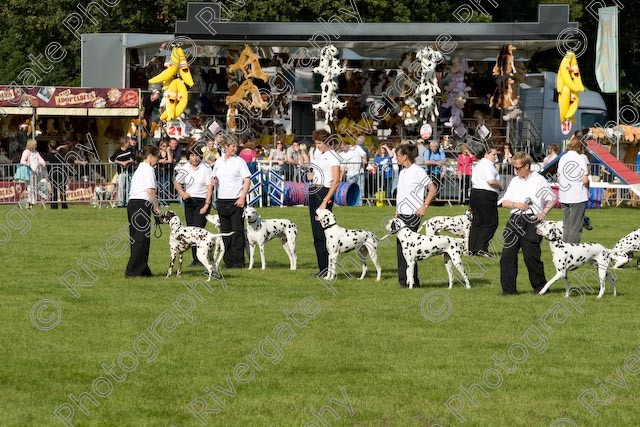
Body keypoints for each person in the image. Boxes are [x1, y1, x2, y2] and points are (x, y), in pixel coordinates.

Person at [499, 152, 556, 295]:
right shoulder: (515, 181)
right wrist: (516, 204)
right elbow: (504, 202)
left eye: (518, 168)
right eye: (514, 167)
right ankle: (509, 290)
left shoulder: (539, 180)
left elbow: (552, 198)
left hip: (532, 221)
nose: (515, 171)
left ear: (527, 166)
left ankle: (540, 288)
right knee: (507, 256)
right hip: (515, 220)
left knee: (531, 257)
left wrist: (543, 213)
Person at [394, 143, 438, 288]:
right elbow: (401, 194)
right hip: (401, 215)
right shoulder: (402, 172)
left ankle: (413, 281)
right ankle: (403, 280)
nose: (396, 158)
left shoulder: (418, 171)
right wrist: (396, 213)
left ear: (405, 156)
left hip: (413, 215)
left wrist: (424, 205)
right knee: (401, 248)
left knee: (410, 249)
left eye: (398, 156)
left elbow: (432, 189)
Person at [212, 136, 251, 268]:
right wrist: (214, 182)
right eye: (232, 146)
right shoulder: (218, 162)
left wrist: (242, 197)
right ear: (225, 147)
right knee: (225, 232)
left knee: (237, 232)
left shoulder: (240, 162)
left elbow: (247, 180)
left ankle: (238, 261)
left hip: (236, 200)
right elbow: (214, 178)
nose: (235, 149)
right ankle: (228, 260)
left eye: (236, 146)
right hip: (222, 200)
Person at [308, 129, 341, 277]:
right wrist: (311, 175)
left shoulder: (333, 156)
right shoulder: (318, 154)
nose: (318, 146)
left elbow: (336, 181)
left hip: (324, 192)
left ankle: (329, 268)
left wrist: (325, 201)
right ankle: (322, 268)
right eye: (316, 143)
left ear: (327, 142)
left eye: (320, 143)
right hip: (314, 189)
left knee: (325, 232)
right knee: (316, 232)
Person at [174, 146, 214, 266]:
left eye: (197, 155)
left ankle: (201, 258)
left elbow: (209, 187)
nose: (195, 158)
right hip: (189, 201)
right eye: (192, 155)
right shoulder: (185, 167)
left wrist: (206, 204)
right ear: (188, 157)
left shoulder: (206, 168)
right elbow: (176, 182)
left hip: (202, 201)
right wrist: (182, 193)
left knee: (198, 229)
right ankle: (195, 259)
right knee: (190, 231)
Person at [125, 144, 161, 278]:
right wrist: (157, 208)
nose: (157, 160)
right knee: (142, 239)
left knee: (136, 238)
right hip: (141, 204)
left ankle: (143, 268)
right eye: (157, 157)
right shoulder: (148, 169)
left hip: (133, 204)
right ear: (151, 156)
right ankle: (133, 271)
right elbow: (151, 191)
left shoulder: (140, 168)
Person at [468, 145, 503, 256]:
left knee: (477, 222)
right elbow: (491, 181)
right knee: (491, 222)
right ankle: (481, 248)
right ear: (486, 154)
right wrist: (501, 186)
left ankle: (472, 248)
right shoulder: (488, 165)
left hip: (475, 193)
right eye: (493, 154)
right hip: (486, 195)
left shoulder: (479, 165)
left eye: (496, 154)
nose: (495, 157)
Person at [558, 132, 590, 243]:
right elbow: (585, 179)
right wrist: (588, 187)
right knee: (576, 226)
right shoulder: (580, 158)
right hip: (577, 196)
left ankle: (565, 250)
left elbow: (558, 177)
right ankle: (573, 251)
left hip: (564, 195)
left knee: (567, 226)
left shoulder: (562, 158)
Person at [110, 137, 136, 207]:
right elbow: (111, 159)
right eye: (128, 142)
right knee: (121, 188)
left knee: (129, 188)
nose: (129, 143)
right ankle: (120, 203)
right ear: (124, 144)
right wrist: (120, 162)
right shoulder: (118, 152)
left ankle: (128, 202)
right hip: (121, 173)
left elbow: (133, 159)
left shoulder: (130, 150)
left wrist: (126, 162)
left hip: (129, 172)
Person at [20, 139, 46, 209]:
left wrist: (43, 163)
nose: (36, 145)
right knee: (30, 187)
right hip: (29, 172)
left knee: (34, 187)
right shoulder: (26, 152)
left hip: (35, 172)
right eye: (35, 144)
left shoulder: (35, 152)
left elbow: (40, 159)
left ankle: (31, 203)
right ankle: (29, 202)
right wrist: (28, 164)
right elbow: (22, 161)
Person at [340, 141, 367, 206]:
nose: (343, 149)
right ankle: (351, 202)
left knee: (360, 189)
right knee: (350, 189)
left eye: (343, 147)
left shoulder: (357, 148)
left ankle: (360, 203)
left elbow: (364, 154)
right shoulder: (341, 154)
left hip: (360, 172)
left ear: (347, 145)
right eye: (341, 148)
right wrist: (341, 176)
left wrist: (364, 159)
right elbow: (343, 167)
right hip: (350, 174)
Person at [47, 141, 69, 209]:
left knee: (54, 190)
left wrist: (58, 148)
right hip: (61, 173)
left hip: (52, 174)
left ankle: (54, 205)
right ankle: (64, 205)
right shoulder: (61, 154)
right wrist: (59, 148)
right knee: (62, 190)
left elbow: (52, 152)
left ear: (49, 147)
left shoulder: (49, 155)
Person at [156, 140, 174, 205]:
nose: (165, 147)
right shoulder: (158, 152)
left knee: (166, 186)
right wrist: (161, 161)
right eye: (163, 146)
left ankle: (165, 201)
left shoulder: (169, 152)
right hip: (159, 171)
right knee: (159, 186)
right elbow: (156, 160)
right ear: (160, 146)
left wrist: (168, 151)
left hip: (167, 171)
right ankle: (159, 200)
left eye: (166, 146)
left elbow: (170, 160)